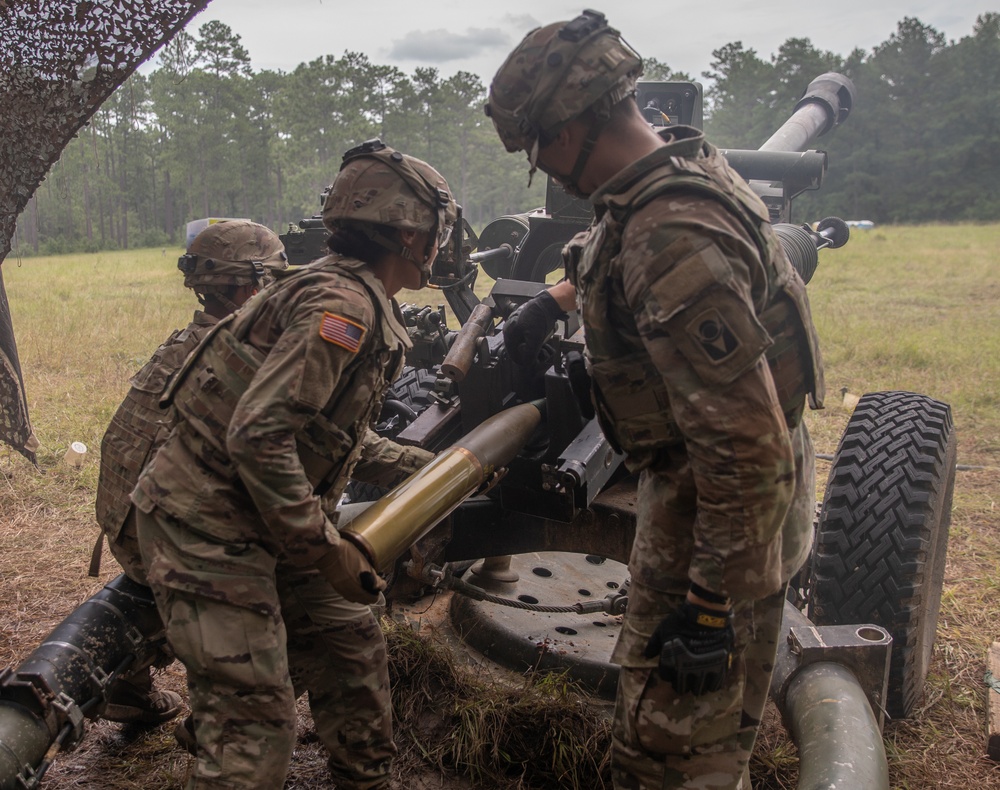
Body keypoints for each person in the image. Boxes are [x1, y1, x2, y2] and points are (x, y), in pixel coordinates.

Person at [486, 11, 824, 790]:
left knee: (672, 763)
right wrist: (556, 299)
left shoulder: (674, 240)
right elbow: (614, 234)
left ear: (575, 122)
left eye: (538, 144)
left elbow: (747, 451)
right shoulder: (671, 169)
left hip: (718, 526)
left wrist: (708, 609)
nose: (543, 166)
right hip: (694, 502)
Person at [132, 139, 455, 790]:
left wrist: (422, 466)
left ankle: (363, 775)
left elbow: (324, 435)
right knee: (256, 731)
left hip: (270, 513)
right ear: (408, 233)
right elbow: (258, 437)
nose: (440, 245)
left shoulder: (350, 296)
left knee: (352, 642)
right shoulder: (342, 307)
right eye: (435, 231)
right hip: (210, 527)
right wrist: (324, 546)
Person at [93, 219, 287, 724]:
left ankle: (129, 685)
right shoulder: (245, 358)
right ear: (248, 288)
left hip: (120, 524)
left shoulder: (185, 341)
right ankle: (222, 726)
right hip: (160, 543)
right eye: (273, 281)